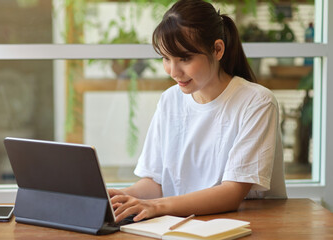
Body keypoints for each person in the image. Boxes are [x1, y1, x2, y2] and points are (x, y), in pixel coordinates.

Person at [108, 0, 287, 223]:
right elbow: (157, 182)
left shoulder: (257, 102)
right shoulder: (170, 100)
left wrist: (157, 206)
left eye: (185, 58)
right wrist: (121, 196)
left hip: (245, 226)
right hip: (182, 225)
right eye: (166, 58)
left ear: (217, 49)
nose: (173, 71)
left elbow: (232, 194)